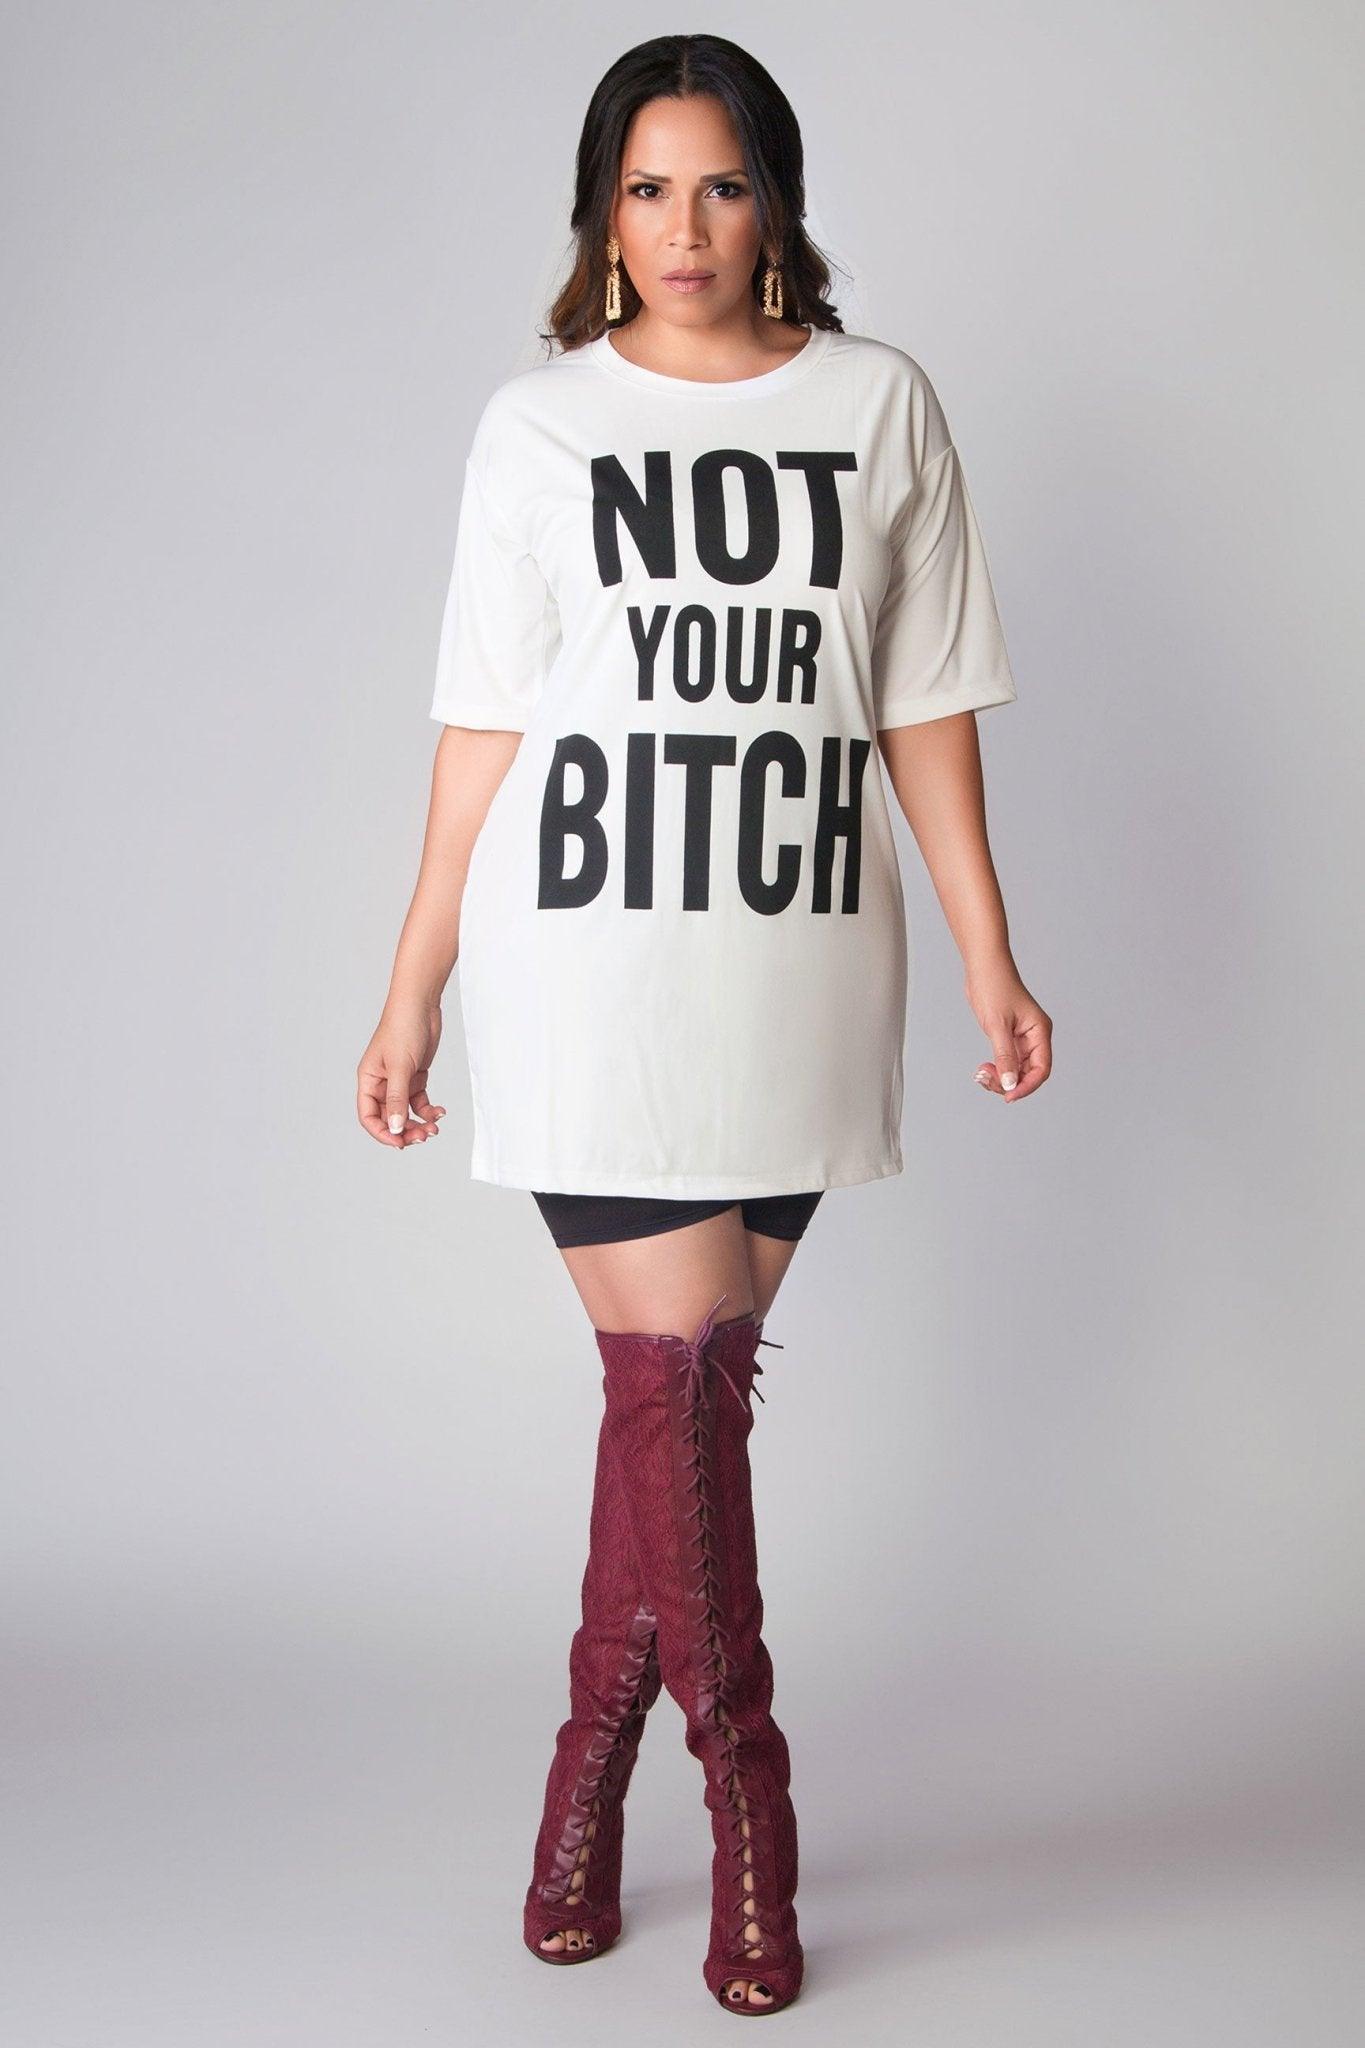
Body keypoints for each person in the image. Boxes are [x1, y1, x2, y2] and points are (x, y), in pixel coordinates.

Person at [357, 32, 1052, 2019]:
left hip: (797, 965)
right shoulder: (537, 428)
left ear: (776, 204)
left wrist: (988, 952)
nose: (683, 227)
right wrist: (414, 979)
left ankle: (583, 1773)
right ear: (601, 216)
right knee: (674, 1386)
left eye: (720, 185)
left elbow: (921, 701)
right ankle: (747, 1798)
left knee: (675, 1402)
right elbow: (483, 731)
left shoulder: (877, 404)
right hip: (584, 964)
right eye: (646, 190)